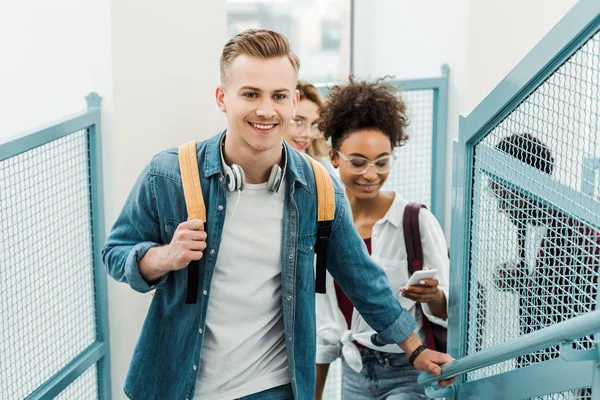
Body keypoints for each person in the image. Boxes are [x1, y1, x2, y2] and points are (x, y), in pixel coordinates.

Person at [102, 29, 455, 400]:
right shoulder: (170, 174)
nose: (266, 110)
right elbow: (116, 253)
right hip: (177, 385)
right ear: (223, 98)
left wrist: (414, 350)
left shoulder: (318, 188)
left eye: (279, 96)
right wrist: (162, 257)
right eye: (251, 94)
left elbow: (363, 279)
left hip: (273, 387)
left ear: (294, 101)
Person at [313, 78, 450, 400]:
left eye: (382, 162)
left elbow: (450, 310)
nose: (371, 174)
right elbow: (326, 323)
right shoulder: (323, 222)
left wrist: (432, 297)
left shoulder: (415, 221)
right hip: (354, 370)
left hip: (409, 370)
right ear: (334, 158)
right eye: (358, 162)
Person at [491, 134, 599, 393]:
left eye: (500, 186)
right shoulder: (526, 227)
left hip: (583, 365)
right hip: (548, 367)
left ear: (522, 180)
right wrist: (523, 282)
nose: (497, 200)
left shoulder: (580, 229)